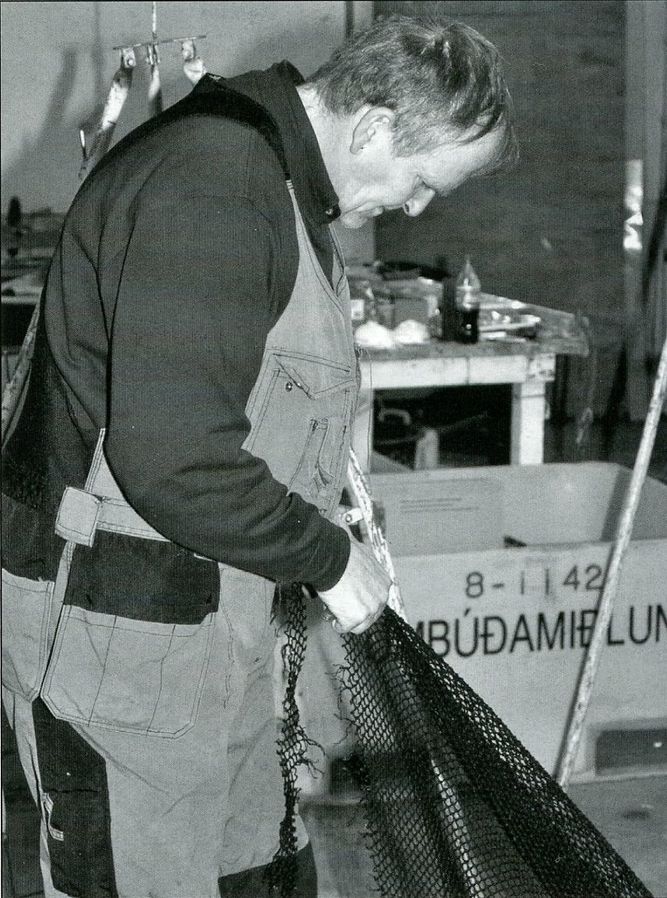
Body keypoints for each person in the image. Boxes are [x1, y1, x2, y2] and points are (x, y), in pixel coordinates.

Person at [1, 14, 516, 898]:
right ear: (374, 126)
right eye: (423, 181)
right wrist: (328, 559)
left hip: (214, 609)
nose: (417, 209)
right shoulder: (214, 187)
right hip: (119, 633)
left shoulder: (276, 183)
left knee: (252, 863)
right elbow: (176, 461)